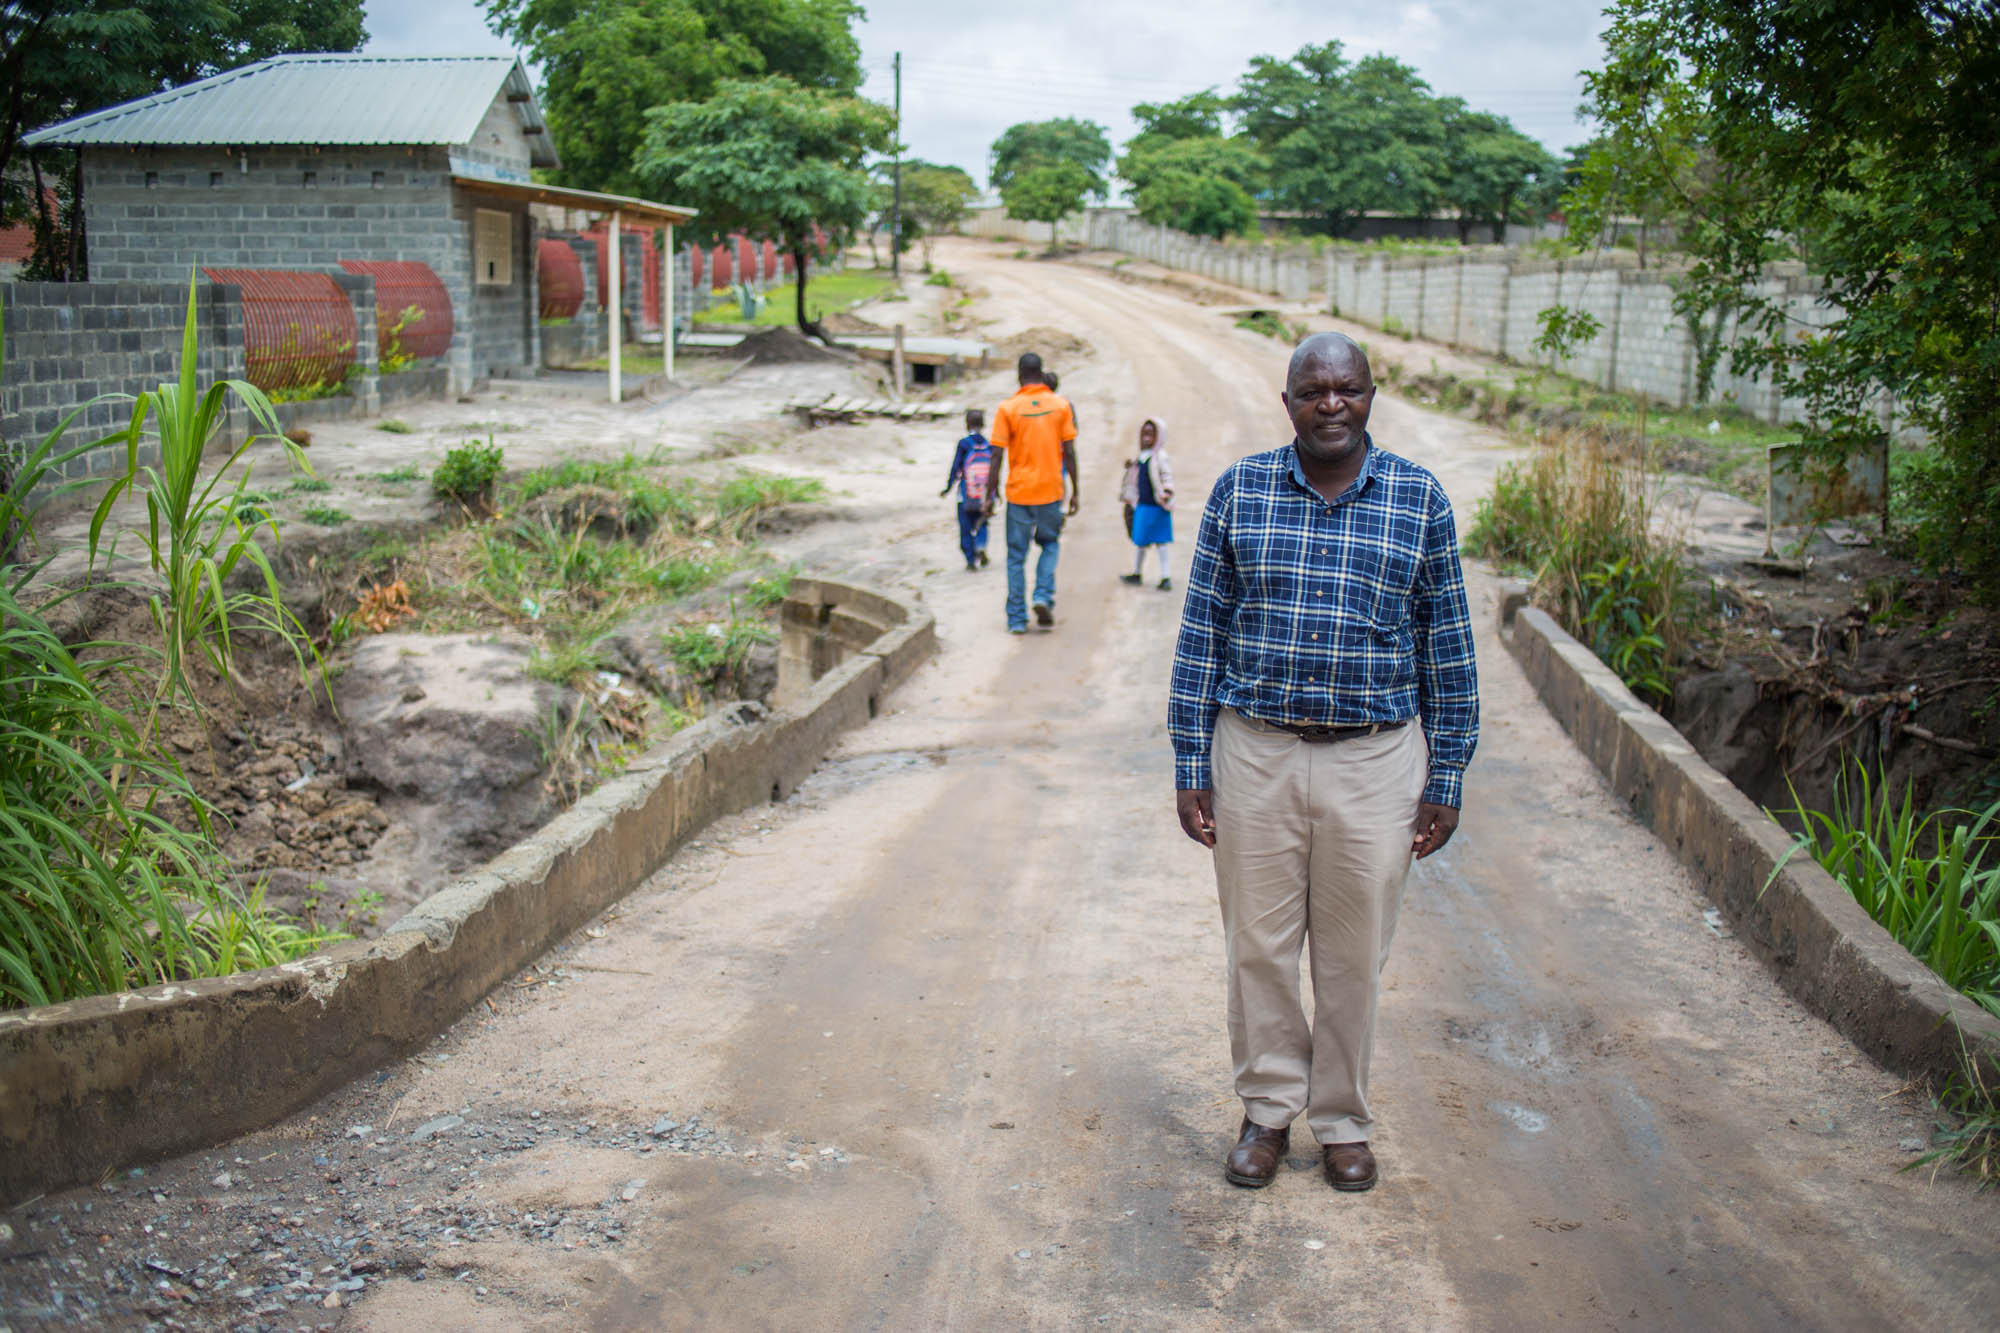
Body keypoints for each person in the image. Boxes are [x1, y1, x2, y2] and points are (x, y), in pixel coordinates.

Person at [1168, 331, 1478, 1194]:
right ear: (1289, 402)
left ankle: (1341, 1119)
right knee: (1258, 947)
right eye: (1314, 390)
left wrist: (1444, 775)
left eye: (1347, 388)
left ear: (1371, 395)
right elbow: (1200, 636)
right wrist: (1192, 762)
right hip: (1255, 753)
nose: (1331, 403)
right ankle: (1267, 1110)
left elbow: (1448, 648)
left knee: (1353, 955)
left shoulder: (1420, 501)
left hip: (1375, 763)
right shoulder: (1241, 491)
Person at [984, 352, 1079, 633]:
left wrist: (991, 493)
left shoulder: (1008, 408)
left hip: (1019, 494)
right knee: (1049, 544)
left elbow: (996, 456)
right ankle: (1042, 596)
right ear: (1042, 371)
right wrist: (1075, 490)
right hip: (1051, 491)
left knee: (1016, 556)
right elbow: (1070, 452)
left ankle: (1016, 619)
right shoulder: (1060, 406)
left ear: (1019, 374)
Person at [1119, 418, 1175, 590]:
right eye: (1144, 433)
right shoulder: (1143, 456)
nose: (1146, 437)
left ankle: (1165, 576)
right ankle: (1137, 573)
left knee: (1161, 542)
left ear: (1159, 436)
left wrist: (1167, 491)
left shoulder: (1160, 456)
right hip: (1143, 506)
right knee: (1140, 541)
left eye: (1151, 434)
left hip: (1157, 505)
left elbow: (1166, 475)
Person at [940, 408, 993, 571]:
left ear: (967, 424)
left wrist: (948, 487)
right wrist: (994, 494)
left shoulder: (964, 444)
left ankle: (971, 560)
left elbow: (956, 468)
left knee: (965, 527)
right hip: (983, 495)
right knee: (982, 523)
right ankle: (981, 545)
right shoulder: (988, 444)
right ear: (983, 424)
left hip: (965, 495)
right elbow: (993, 471)